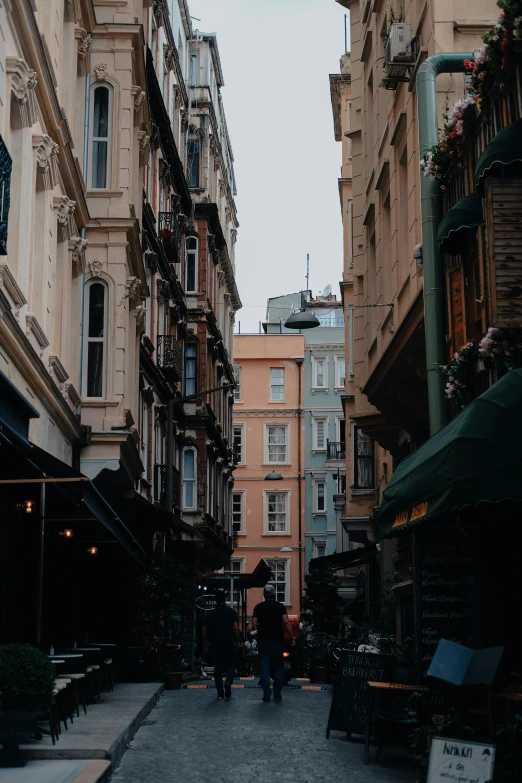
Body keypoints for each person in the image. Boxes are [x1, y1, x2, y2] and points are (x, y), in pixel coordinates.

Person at [251, 584, 295, 702]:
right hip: (278, 640)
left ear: (264, 595)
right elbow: (286, 622)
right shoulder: (280, 607)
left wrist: (256, 634)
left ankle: (266, 693)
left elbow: (254, 625)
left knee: (265, 667)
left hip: (263, 641)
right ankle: (277, 693)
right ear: (274, 594)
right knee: (279, 667)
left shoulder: (258, 607)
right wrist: (292, 636)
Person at [202, 591, 240, 700]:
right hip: (228, 643)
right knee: (232, 666)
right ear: (225, 599)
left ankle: (220, 693)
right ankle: (228, 681)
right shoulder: (231, 612)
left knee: (217, 669)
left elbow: (204, 629)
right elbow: (236, 628)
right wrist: (238, 640)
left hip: (215, 644)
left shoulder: (211, 613)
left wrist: (206, 642)